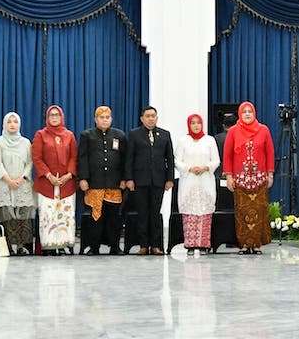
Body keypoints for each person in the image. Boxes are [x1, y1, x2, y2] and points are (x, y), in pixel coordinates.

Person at [223, 102, 275, 254]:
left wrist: (270, 174)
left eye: (249, 111)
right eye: (244, 111)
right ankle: (245, 245)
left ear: (254, 113)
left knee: (259, 211)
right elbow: (227, 155)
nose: (247, 114)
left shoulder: (263, 130)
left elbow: (270, 153)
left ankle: (256, 244)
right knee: (242, 213)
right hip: (240, 180)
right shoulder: (233, 131)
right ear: (240, 114)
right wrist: (229, 177)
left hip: (259, 180)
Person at [125, 106, 175, 255]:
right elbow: (129, 158)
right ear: (142, 118)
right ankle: (143, 245)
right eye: (148, 116)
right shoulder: (134, 134)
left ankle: (156, 245)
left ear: (157, 118)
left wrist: (170, 178)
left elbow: (170, 159)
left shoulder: (165, 134)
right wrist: (129, 178)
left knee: (155, 214)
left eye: (153, 116)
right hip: (140, 181)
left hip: (159, 181)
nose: (151, 118)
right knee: (142, 214)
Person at [78, 106, 128, 255]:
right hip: (95, 183)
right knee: (96, 217)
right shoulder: (87, 135)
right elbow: (82, 159)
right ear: (95, 119)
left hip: (114, 184)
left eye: (107, 117)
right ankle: (94, 247)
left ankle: (114, 246)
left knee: (114, 218)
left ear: (111, 119)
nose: (105, 120)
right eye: (102, 117)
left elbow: (125, 159)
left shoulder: (119, 135)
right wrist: (83, 178)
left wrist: (125, 178)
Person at [32, 105, 78, 255]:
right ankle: (49, 246)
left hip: (67, 184)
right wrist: (49, 175)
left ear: (61, 117)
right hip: (47, 184)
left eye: (57, 115)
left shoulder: (69, 135)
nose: (54, 117)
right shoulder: (40, 135)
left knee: (66, 215)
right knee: (48, 215)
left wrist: (69, 175)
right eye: (51, 115)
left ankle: (64, 244)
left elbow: (74, 157)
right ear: (47, 117)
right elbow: (37, 158)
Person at [175, 114, 220, 257]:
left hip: (205, 181)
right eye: (193, 123)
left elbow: (216, 160)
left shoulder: (209, 140)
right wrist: (189, 168)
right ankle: (189, 245)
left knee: (204, 213)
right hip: (189, 181)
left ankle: (203, 245)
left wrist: (206, 167)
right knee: (190, 214)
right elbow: (177, 161)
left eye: (198, 123)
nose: (196, 125)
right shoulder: (183, 141)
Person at [0, 112, 36, 255]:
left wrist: (22, 178)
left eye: (15, 122)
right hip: (4, 184)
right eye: (9, 122)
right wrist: (8, 180)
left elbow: (30, 162)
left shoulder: (26, 142)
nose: (12, 124)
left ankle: (22, 246)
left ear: (19, 124)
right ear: (4, 124)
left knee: (23, 216)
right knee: (7, 216)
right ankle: (8, 246)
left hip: (22, 184)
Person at [214, 113, 237, 211]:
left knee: (221, 203)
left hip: (219, 172)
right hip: (235, 173)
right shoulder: (238, 137)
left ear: (223, 125)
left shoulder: (216, 138)